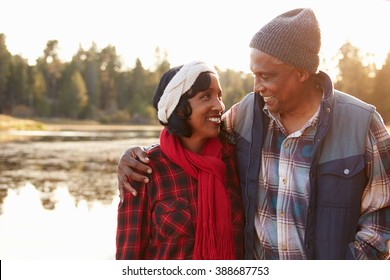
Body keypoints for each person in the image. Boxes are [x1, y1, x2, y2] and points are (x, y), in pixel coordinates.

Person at [117, 8, 390, 260]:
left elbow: (381, 225)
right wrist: (135, 156)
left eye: (267, 76)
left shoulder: (363, 124)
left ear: (302, 71)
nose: (257, 87)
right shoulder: (246, 114)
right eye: (254, 75)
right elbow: (191, 134)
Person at [116, 61, 244, 260]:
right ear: (177, 106)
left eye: (219, 95)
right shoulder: (143, 169)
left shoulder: (235, 158)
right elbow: (128, 257)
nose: (219, 105)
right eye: (206, 96)